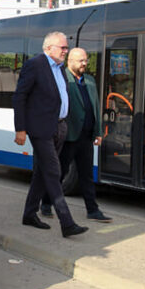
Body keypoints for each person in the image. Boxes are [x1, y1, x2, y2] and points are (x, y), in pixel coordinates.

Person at [13, 31, 88, 238]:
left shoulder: (60, 68)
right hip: (41, 128)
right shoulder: (35, 65)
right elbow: (20, 97)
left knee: (42, 172)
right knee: (54, 172)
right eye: (62, 48)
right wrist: (20, 128)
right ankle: (67, 223)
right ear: (48, 48)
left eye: (66, 47)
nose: (66, 51)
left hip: (59, 127)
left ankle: (29, 214)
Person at [41, 48, 112, 223]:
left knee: (86, 175)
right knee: (61, 172)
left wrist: (98, 131)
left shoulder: (89, 81)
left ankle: (92, 210)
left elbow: (95, 106)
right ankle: (46, 203)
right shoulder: (62, 78)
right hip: (69, 135)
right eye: (81, 60)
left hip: (86, 136)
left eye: (86, 60)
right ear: (70, 61)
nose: (85, 63)